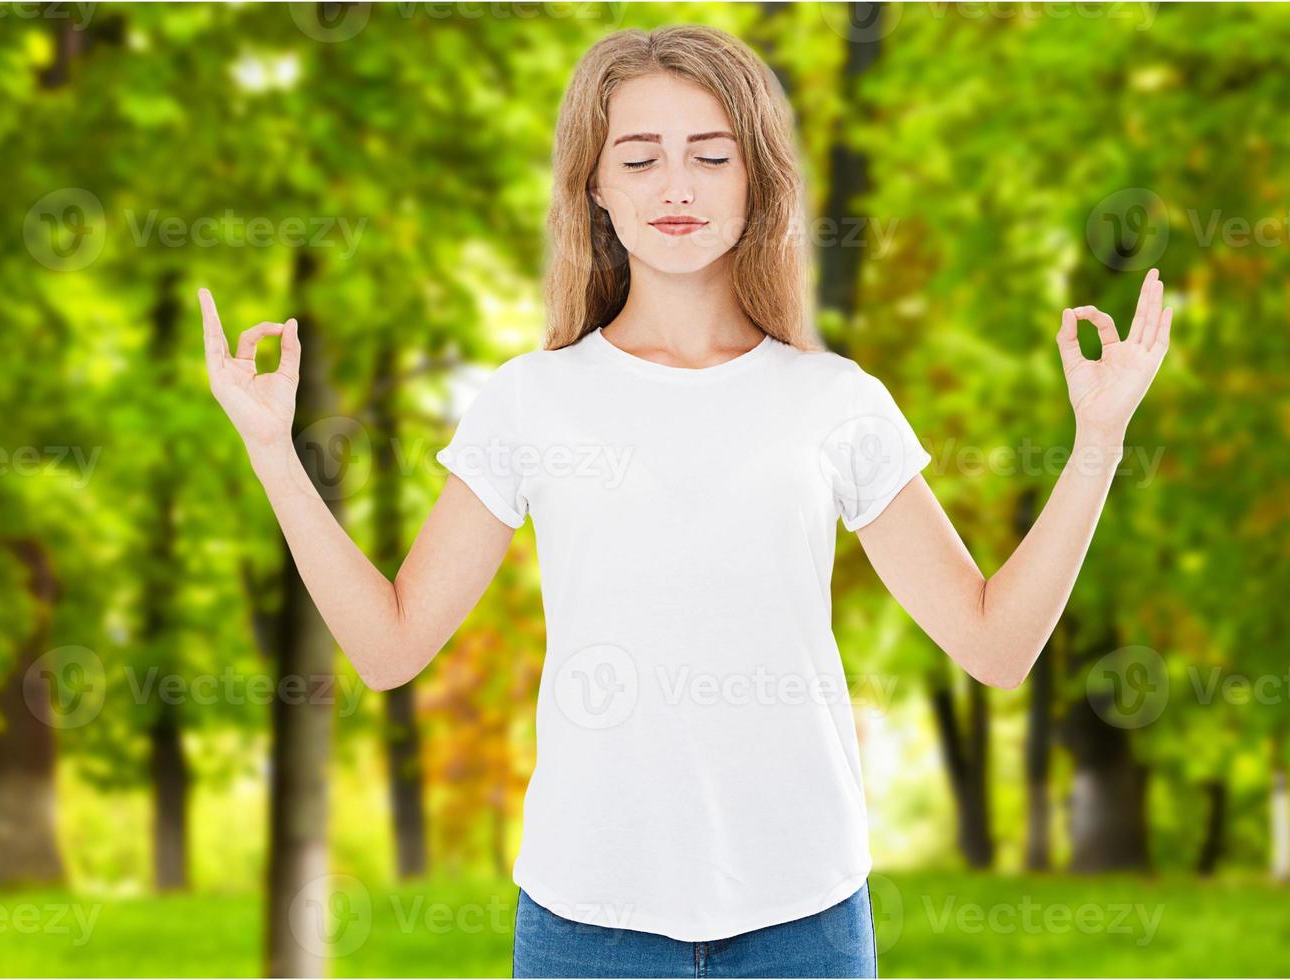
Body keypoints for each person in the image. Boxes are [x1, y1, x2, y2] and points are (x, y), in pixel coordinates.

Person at [197, 23, 1172, 980]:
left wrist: (1099, 439)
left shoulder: (833, 400)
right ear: (595, 186)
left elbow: (995, 646)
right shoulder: (532, 400)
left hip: (806, 922)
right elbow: (390, 644)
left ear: (757, 181)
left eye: (711, 155)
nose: (677, 186)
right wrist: (272, 448)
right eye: (641, 157)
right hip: (586, 925)